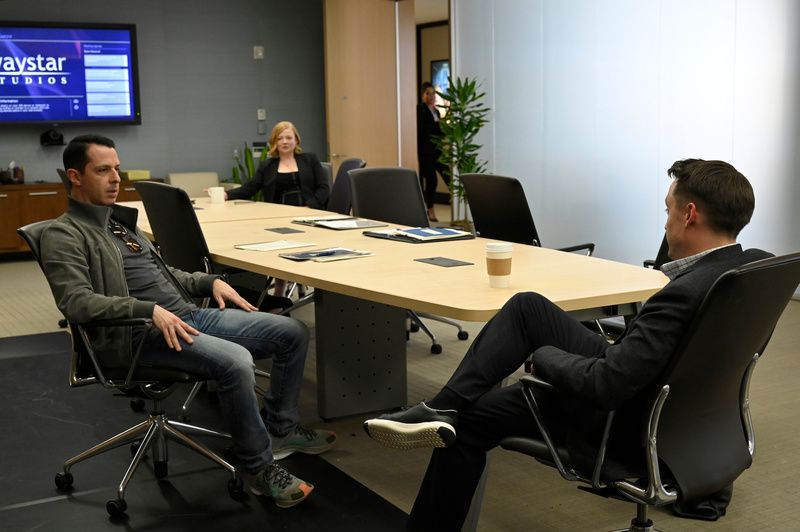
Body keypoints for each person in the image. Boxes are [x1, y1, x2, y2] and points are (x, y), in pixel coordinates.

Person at [363, 158, 771, 530]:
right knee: (528, 308)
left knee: (474, 421)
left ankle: (447, 422)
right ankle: (443, 405)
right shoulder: (747, 272)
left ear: (689, 214)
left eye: (668, 210)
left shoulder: (683, 293)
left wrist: (542, 357)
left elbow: (607, 385)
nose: (664, 223)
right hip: (682, 414)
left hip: (624, 422)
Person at [40, 134, 336, 509]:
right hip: (135, 337)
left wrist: (207, 281)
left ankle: (282, 430)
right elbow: (76, 302)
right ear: (75, 176)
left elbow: (163, 275)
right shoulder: (63, 233)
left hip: (186, 316)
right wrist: (147, 311)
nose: (116, 178)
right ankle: (259, 469)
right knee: (235, 361)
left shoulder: (119, 223)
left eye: (117, 168)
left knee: (292, 332)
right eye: (103, 170)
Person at [226, 120, 329, 297]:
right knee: (278, 249)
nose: (285, 141)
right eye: (280, 138)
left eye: (289, 137)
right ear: (274, 142)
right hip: (277, 218)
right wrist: (226, 195)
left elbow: (324, 188)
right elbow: (250, 188)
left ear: (296, 140)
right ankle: (279, 292)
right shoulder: (268, 166)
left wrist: (309, 207)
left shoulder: (309, 160)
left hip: (308, 216)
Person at [417, 81, 449, 222]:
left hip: (437, 152)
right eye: (428, 93)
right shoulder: (420, 109)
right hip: (425, 153)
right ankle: (430, 209)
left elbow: (438, 132)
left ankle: (457, 205)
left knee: (448, 175)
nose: (431, 96)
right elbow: (421, 131)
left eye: (433, 93)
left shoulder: (436, 111)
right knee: (431, 181)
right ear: (423, 95)